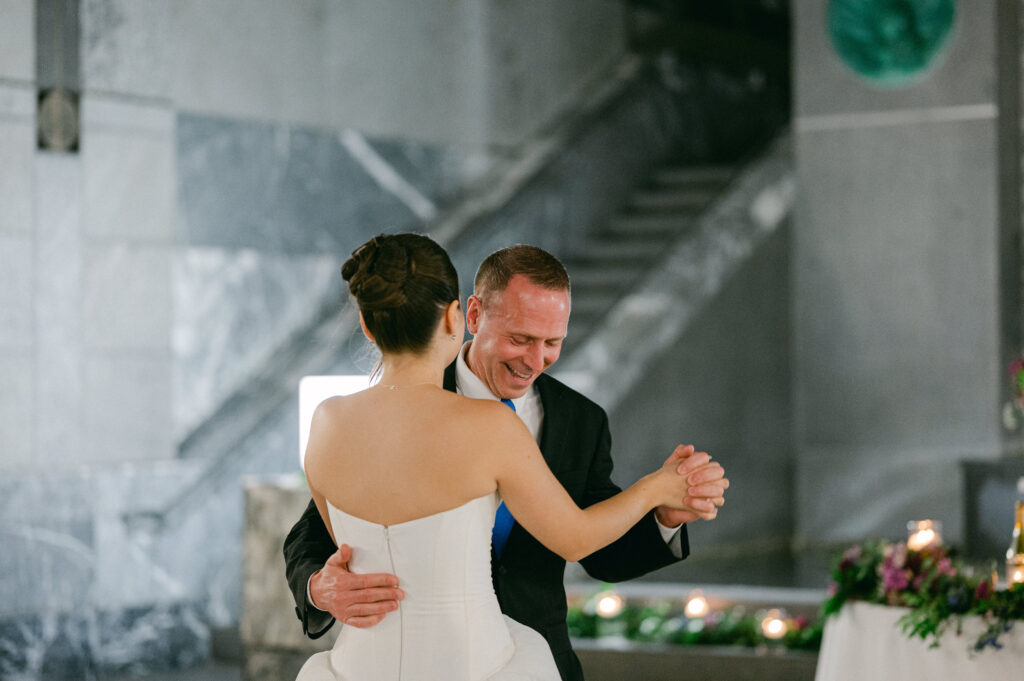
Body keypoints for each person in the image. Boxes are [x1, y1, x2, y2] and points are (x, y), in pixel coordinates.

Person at [286, 236, 729, 681]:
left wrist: (663, 515)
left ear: (367, 324)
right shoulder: (493, 426)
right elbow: (316, 536)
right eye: (520, 339)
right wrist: (318, 588)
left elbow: (601, 556)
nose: (536, 360)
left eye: (553, 342)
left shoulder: (327, 419)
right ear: (464, 316)